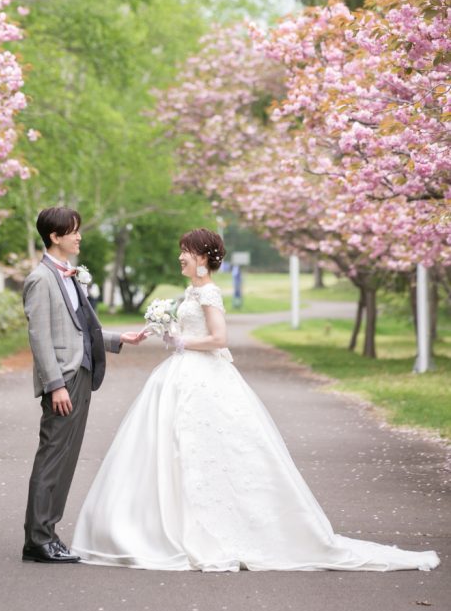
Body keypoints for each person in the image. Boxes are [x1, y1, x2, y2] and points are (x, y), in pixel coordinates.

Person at [72, 228, 440, 573]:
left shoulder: (209, 293)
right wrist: (165, 329)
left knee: (211, 448)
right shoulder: (191, 293)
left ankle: (218, 528)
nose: (181, 257)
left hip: (203, 375)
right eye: (182, 251)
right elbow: (189, 328)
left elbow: (219, 339)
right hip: (180, 375)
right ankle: (169, 521)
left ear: (202, 257)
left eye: (186, 252)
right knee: (174, 448)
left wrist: (181, 342)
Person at [22, 206, 146, 564]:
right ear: (55, 237)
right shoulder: (40, 279)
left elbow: (78, 329)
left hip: (82, 375)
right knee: (53, 457)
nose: (79, 236)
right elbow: (41, 338)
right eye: (73, 231)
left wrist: (117, 338)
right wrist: (56, 385)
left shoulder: (68, 275)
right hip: (65, 380)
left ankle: (46, 534)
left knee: (66, 459)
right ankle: (38, 539)